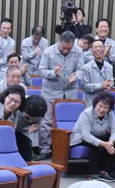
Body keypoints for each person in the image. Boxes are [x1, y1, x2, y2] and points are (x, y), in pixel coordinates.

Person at [36, 31, 82, 160]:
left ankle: (67, 148)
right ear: (59, 43)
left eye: (69, 48)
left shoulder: (78, 51)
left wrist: (76, 75)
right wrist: (53, 73)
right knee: (47, 122)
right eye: (64, 48)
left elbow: (82, 69)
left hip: (70, 91)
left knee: (70, 121)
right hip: (51, 92)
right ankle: (45, 150)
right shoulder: (48, 52)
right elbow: (42, 71)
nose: (67, 50)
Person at [70, 90, 115, 182]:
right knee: (95, 145)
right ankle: (93, 173)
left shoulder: (110, 114)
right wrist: (104, 144)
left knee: (109, 142)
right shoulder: (86, 113)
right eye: (100, 106)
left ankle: (104, 172)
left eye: (106, 107)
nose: (102, 109)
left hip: (98, 136)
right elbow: (86, 136)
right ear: (95, 104)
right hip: (81, 137)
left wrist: (111, 142)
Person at [81, 39, 112, 105]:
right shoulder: (86, 67)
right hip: (90, 102)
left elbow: (111, 81)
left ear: (104, 49)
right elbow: (84, 86)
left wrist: (110, 85)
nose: (98, 49)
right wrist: (100, 86)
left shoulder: (109, 66)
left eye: (100, 47)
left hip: (104, 102)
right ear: (91, 51)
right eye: (95, 47)